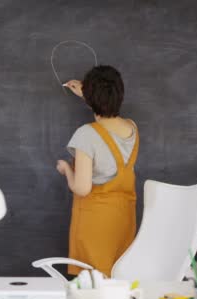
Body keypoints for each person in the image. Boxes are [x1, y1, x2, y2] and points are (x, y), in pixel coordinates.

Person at [57, 65, 139, 277]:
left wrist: (66, 168)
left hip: (95, 225)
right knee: (117, 278)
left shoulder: (86, 135)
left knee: (92, 286)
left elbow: (82, 189)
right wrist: (90, 95)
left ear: (92, 97)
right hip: (123, 222)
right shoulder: (132, 128)